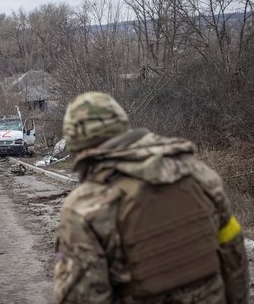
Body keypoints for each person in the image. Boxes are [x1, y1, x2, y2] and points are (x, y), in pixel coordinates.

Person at [54, 92, 249, 304]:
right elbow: (234, 255)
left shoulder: (84, 207)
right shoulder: (198, 174)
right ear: (122, 126)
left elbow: (82, 296)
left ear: (76, 144)